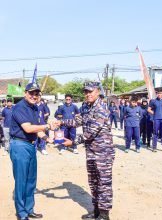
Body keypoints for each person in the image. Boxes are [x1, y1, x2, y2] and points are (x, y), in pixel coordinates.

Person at [62, 81, 114, 220]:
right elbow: (77, 121)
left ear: (97, 91)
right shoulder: (85, 106)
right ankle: (96, 211)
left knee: (104, 183)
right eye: (86, 92)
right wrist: (60, 122)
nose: (88, 94)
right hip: (90, 150)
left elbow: (91, 132)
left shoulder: (101, 108)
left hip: (103, 152)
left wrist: (73, 142)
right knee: (93, 182)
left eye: (90, 91)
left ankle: (104, 215)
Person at [9, 82, 56, 220]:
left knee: (31, 180)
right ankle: (22, 213)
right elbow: (28, 128)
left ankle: (29, 209)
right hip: (19, 145)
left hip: (31, 145)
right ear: (25, 93)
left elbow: (38, 130)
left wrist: (48, 139)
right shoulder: (19, 107)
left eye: (36, 94)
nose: (34, 96)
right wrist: (48, 126)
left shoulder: (35, 108)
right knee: (21, 180)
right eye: (31, 93)